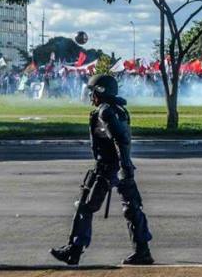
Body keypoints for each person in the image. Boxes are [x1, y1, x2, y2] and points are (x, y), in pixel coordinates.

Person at [50, 74, 154, 265]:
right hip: (121, 167)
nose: (91, 97)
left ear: (101, 92)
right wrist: (125, 167)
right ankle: (143, 251)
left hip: (109, 168)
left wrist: (122, 166)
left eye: (93, 92)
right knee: (132, 208)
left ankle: (74, 250)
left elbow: (119, 139)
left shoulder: (105, 112)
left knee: (85, 206)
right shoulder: (118, 109)